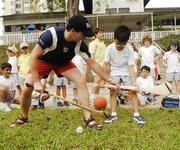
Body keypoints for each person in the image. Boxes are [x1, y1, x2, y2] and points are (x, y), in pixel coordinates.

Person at [10, 15, 116, 129]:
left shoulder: (79, 43)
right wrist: (36, 82)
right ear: (73, 31)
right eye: (83, 34)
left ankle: (88, 118)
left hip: (63, 63)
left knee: (81, 80)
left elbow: (92, 63)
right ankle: (23, 116)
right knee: (27, 89)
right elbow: (33, 56)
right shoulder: (51, 35)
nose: (84, 37)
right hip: (44, 61)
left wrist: (108, 79)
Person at [104, 25, 146, 125]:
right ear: (114, 39)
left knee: (133, 92)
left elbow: (131, 67)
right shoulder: (109, 48)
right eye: (118, 44)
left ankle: (136, 115)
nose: (120, 46)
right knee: (113, 93)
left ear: (127, 41)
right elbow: (106, 65)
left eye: (123, 45)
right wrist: (106, 79)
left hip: (126, 71)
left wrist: (134, 83)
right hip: (114, 71)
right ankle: (113, 115)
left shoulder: (129, 49)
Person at [89, 28, 106, 104]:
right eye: (100, 33)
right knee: (96, 81)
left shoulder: (103, 44)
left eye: (102, 33)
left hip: (103, 67)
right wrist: (94, 66)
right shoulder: (93, 43)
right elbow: (91, 55)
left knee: (99, 83)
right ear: (96, 35)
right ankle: (92, 99)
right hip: (96, 66)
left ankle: (96, 100)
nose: (102, 34)